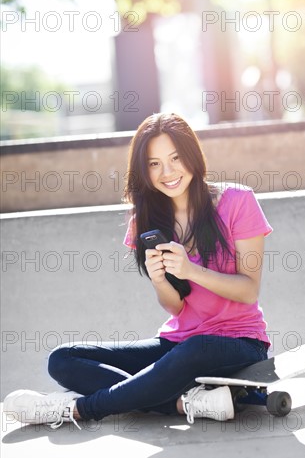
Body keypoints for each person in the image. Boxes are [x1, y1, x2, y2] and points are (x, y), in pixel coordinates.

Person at [4, 112, 272, 429]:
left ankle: (78, 410)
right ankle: (183, 402)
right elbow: (176, 306)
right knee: (63, 359)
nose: (167, 172)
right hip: (178, 342)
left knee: (195, 349)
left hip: (239, 342)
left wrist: (191, 270)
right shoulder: (144, 220)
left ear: (193, 156)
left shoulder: (238, 201)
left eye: (175, 158)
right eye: (154, 163)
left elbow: (248, 289)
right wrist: (160, 280)